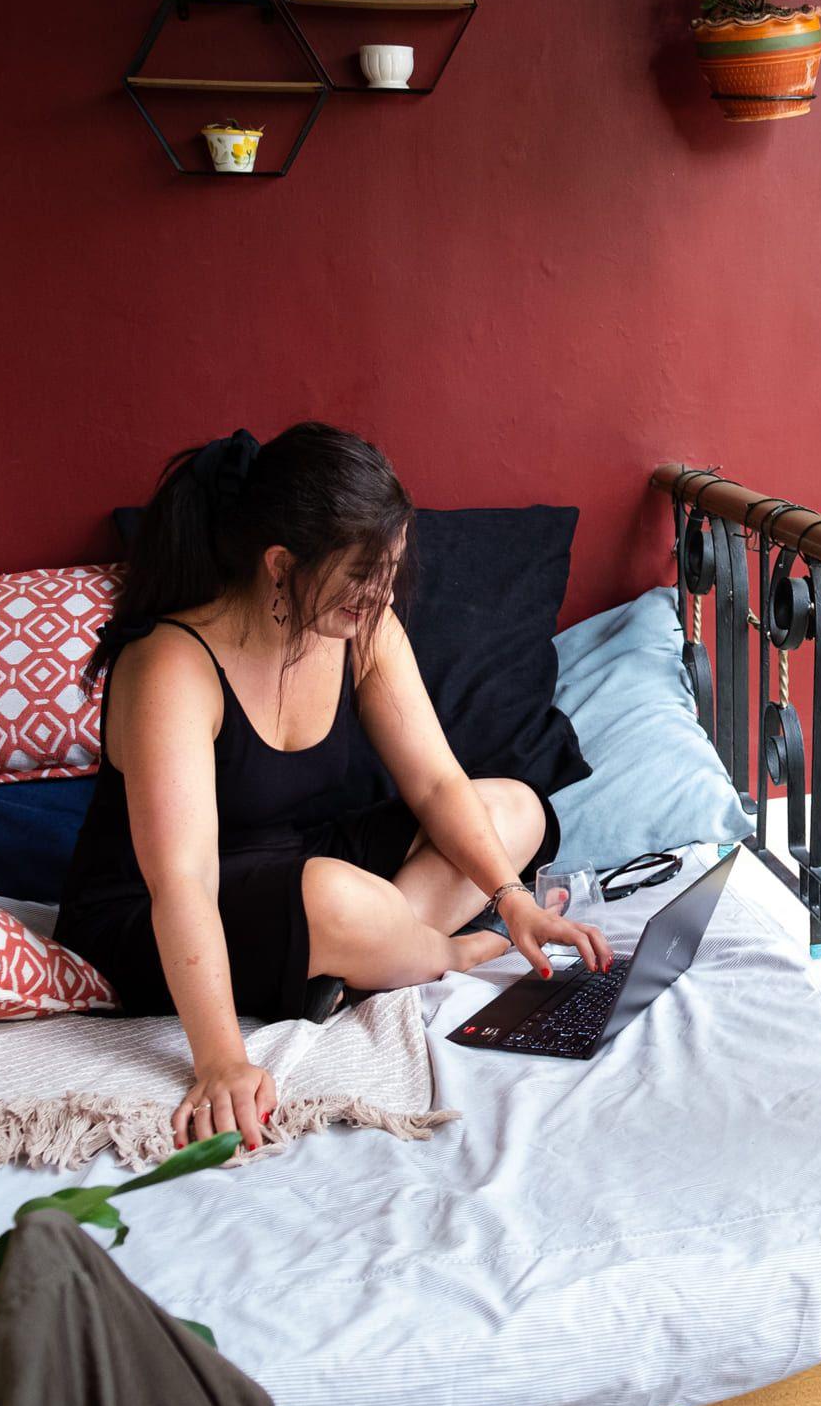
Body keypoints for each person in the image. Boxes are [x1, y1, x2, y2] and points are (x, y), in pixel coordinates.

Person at [57, 423, 610, 1152]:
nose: (380, 594)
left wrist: (513, 899)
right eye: (361, 573)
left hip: (295, 868)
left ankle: (359, 959)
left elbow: (440, 783)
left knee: (511, 808)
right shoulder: (173, 665)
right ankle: (420, 950)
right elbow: (183, 882)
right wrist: (222, 1058)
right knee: (329, 895)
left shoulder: (361, 630)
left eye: (392, 568)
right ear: (281, 563)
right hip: (156, 918)